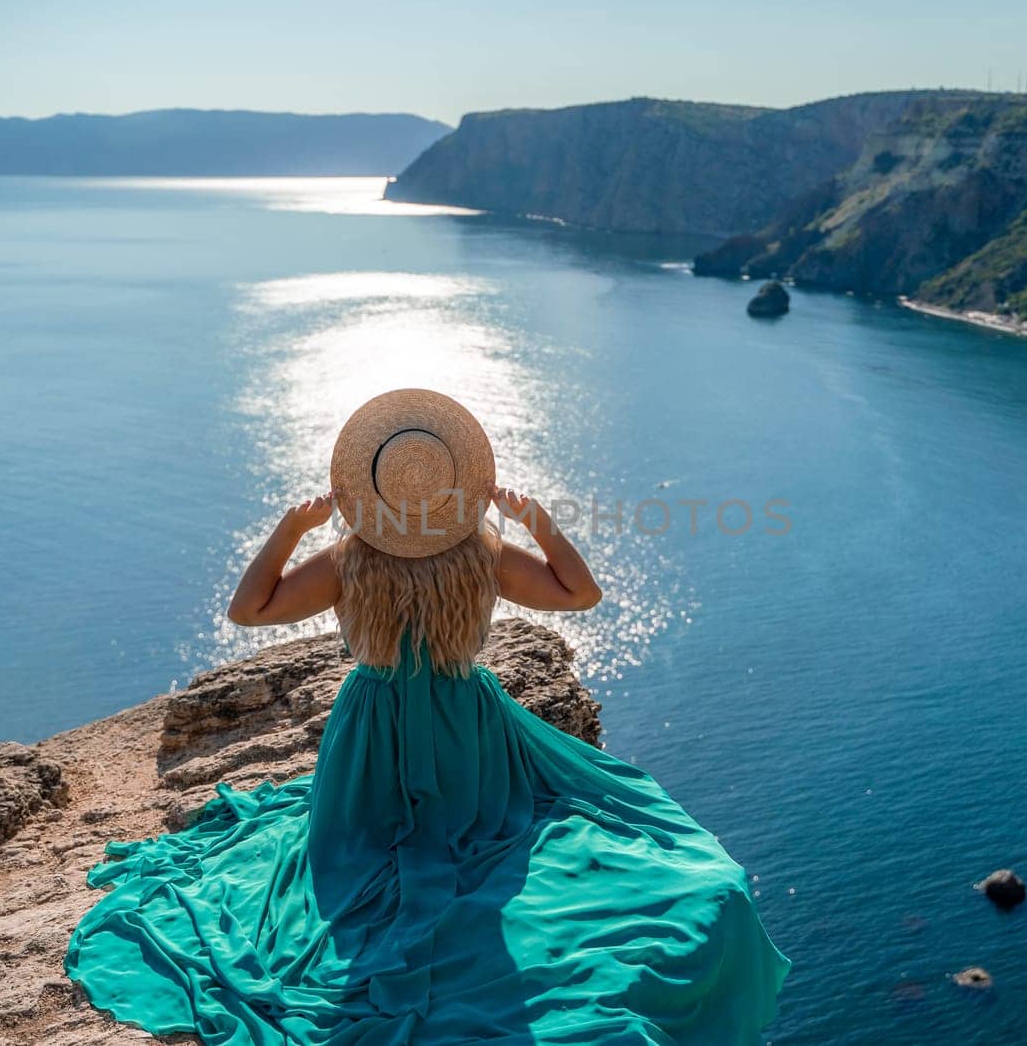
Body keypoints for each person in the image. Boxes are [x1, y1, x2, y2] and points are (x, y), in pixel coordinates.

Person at [64, 388, 791, 1044]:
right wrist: (537, 521)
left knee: (361, 854)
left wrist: (289, 530)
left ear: (369, 487)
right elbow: (580, 596)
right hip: (468, 729)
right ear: (453, 484)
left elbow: (247, 609)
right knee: (493, 837)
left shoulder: (347, 560)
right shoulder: (484, 554)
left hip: (372, 734)